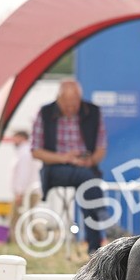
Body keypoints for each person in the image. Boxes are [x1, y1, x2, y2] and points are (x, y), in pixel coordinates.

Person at [31, 80, 108, 255]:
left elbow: (101, 147)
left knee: (88, 186)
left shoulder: (93, 112)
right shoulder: (45, 113)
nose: (71, 108)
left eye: (75, 104)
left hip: (86, 167)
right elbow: (36, 151)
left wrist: (90, 160)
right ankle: (102, 224)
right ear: (58, 98)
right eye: (66, 104)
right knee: (89, 180)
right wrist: (65, 158)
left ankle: (94, 248)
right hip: (55, 168)